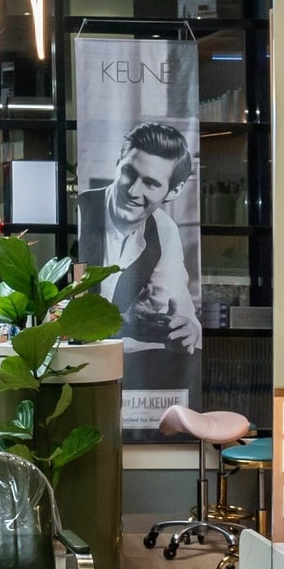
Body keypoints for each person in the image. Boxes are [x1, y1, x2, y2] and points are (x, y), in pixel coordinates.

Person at [76, 120, 203, 411]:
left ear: (173, 191)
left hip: (120, 376)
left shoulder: (163, 229)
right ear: (117, 162)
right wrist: (127, 323)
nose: (134, 190)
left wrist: (187, 328)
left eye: (151, 183)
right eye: (129, 173)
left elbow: (178, 303)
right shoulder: (80, 214)